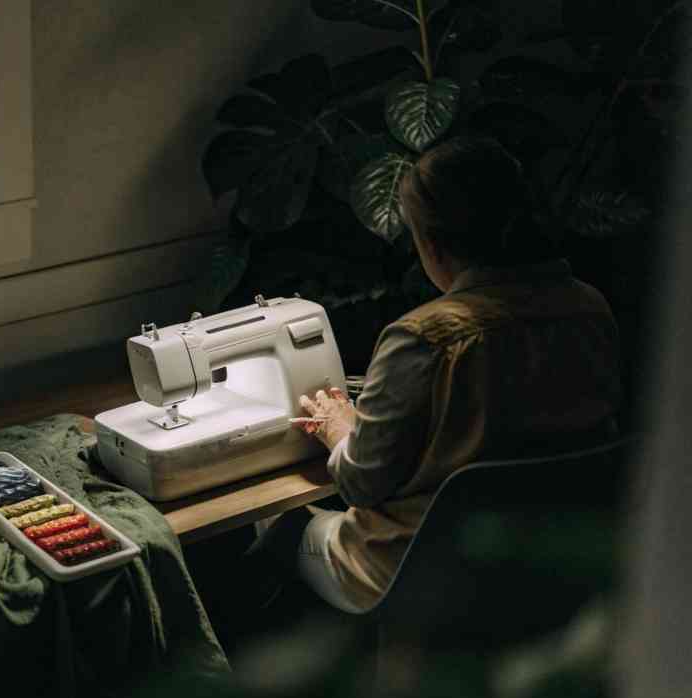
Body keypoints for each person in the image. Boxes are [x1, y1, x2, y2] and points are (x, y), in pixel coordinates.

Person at [260, 136, 622, 615]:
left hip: (422, 573)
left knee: (270, 521)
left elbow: (362, 485)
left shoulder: (423, 338)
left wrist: (338, 427)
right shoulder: (590, 308)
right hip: (552, 563)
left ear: (430, 243)